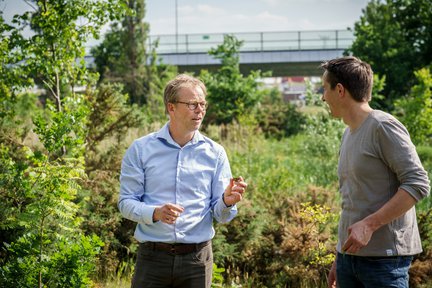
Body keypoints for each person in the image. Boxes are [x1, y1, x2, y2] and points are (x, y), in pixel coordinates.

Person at [118, 74, 247, 288]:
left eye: (203, 104)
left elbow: (221, 215)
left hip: (197, 261)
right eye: (192, 104)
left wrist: (227, 202)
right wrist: (156, 213)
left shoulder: (215, 153)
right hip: (152, 259)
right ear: (171, 107)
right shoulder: (141, 149)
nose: (200, 110)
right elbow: (125, 203)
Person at [320, 56, 430, 288]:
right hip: (349, 261)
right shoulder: (348, 133)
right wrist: (340, 255)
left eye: (324, 89)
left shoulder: (383, 126)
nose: (322, 97)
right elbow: (352, 200)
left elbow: (418, 183)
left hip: (384, 262)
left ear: (340, 90)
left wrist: (369, 225)